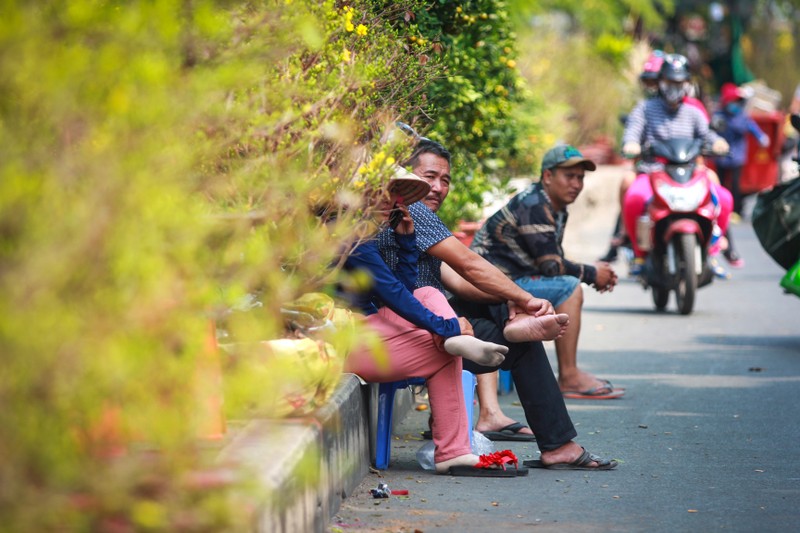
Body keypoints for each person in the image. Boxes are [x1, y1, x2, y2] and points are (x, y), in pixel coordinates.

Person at [378, 139, 618, 469]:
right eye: (428, 177)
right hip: (409, 328)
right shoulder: (406, 209)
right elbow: (468, 265)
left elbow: (458, 278)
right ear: (405, 178)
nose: (437, 187)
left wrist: (510, 298)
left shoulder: (412, 214)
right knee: (507, 318)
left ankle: (556, 440)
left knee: (514, 331)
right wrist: (525, 299)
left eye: (445, 180)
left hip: (433, 321)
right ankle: (556, 442)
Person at [338, 169, 521, 476]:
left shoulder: (364, 234)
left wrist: (407, 242)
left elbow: (407, 291)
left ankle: (451, 341)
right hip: (344, 343)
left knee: (427, 291)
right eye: (385, 193)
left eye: (396, 197)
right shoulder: (350, 237)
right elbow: (393, 294)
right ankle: (453, 451)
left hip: (372, 331)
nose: (392, 203)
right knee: (446, 348)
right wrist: (447, 327)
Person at [470, 144, 623, 400]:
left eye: (580, 178)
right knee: (569, 286)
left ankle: (568, 374)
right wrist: (592, 273)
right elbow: (551, 265)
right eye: (569, 176)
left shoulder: (554, 205)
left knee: (568, 281)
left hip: (511, 283)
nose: (576, 184)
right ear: (548, 176)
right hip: (490, 289)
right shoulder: (534, 204)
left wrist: (591, 272)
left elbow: (553, 261)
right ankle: (569, 376)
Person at [621, 53, 732, 276]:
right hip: (654, 171)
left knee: (725, 199)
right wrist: (631, 144)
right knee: (634, 198)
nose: (674, 88)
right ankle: (639, 254)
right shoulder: (645, 109)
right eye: (670, 82)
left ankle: (712, 249)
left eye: (679, 83)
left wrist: (718, 142)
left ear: (687, 84)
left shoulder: (694, 111)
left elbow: (707, 134)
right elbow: (632, 132)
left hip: (690, 172)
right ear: (660, 82)